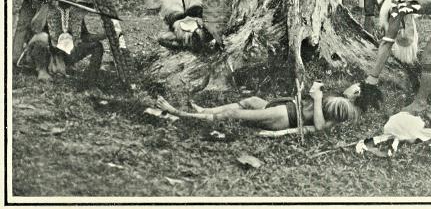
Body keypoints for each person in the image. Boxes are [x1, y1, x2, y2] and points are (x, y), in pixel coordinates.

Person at [155, 81, 383, 131]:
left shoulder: (342, 104)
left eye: (354, 85)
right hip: (288, 108)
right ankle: (204, 111)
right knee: (251, 101)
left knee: (234, 113)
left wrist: (316, 98)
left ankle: (179, 113)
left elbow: (320, 126)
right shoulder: (345, 104)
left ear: (357, 93)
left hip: (286, 116)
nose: (350, 85)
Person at [24, 0, 106, 83]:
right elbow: (36, 29)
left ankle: (88, 81)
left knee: (97, 46)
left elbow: (85, 37)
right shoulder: (47, 4)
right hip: (45, 54)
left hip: (64, 55)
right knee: (42, 37)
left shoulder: (75, 10)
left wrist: (104, 34)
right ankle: (42, 71)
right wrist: (45, 4)